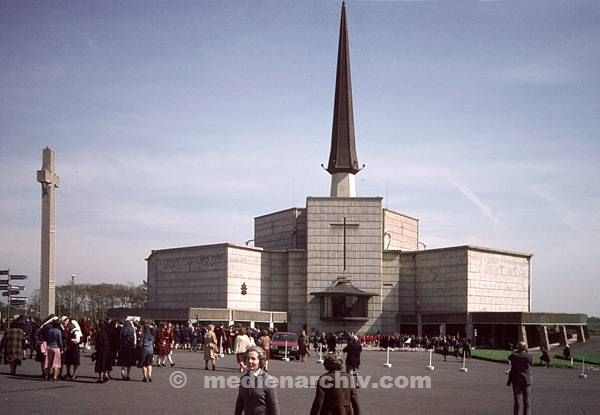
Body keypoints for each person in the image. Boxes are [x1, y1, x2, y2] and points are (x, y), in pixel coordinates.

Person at [234, 346, 280, 415]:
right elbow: (240, 403)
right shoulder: (244, 379)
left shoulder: (268, 380)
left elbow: (273, 406)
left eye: (253, 359)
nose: (250, 361)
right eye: (248, 358)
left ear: (260, 361)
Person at [507, 341, 533, 415]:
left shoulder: (514, 355)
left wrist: (515, 351)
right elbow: (531, 363)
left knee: (517, 400)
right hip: (526, 380)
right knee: (527, 401)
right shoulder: (529, 356)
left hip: (516, 379)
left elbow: (509, 358)